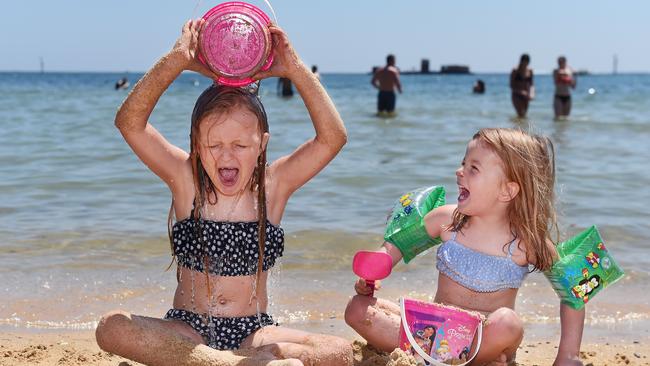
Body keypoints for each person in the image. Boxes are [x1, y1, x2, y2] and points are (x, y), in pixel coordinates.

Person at [95, 19, 352, 366]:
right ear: (197, 147)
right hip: (188, 329)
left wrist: (294, 68)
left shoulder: (273, 189)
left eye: (239, 145)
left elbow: (332, 138)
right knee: (110, 327)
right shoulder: (186, 180)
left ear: (261, 145)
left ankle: (229, 359)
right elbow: (129, 122)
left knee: (340, 352)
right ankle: (229, 363)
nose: (226, 155)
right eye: (213, 144)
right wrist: (177, 60)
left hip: (254, 330)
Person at [345, 128, 585, 365]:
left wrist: (568, 355)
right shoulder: (447, 220)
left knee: (508, 323)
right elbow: (399, 244)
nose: (459, 172)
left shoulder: (525, 243)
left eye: (473, 168)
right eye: (463, 163)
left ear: (507, 190)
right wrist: (374, 272)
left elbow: (574, 289)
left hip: (484, 337)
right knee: (357, 309)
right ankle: (464, 360)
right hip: (431, 334)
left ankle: (460, 359)